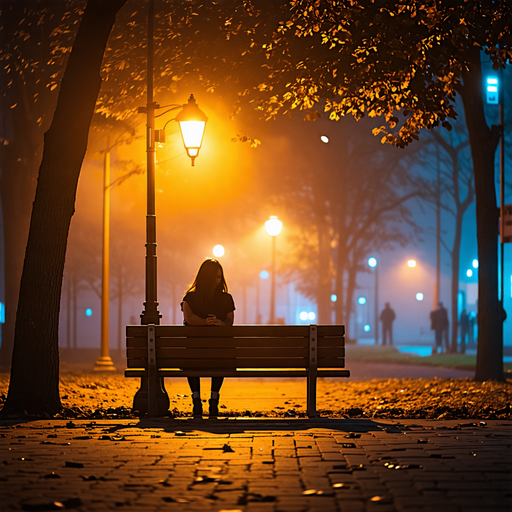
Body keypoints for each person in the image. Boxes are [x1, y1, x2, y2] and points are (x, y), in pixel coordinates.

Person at [181, 258, 235, 418]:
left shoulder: (189, 298)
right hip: (218, 353)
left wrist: (212, 323)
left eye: (219, 277)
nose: (217, 280)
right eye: (215, 277)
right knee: (220, 359)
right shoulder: (227, 299)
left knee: (191, 361)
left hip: (194, 353)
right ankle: (213, 399)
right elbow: (230, 320)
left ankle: (197, 399)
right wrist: (220, 324)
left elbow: (189, 318)